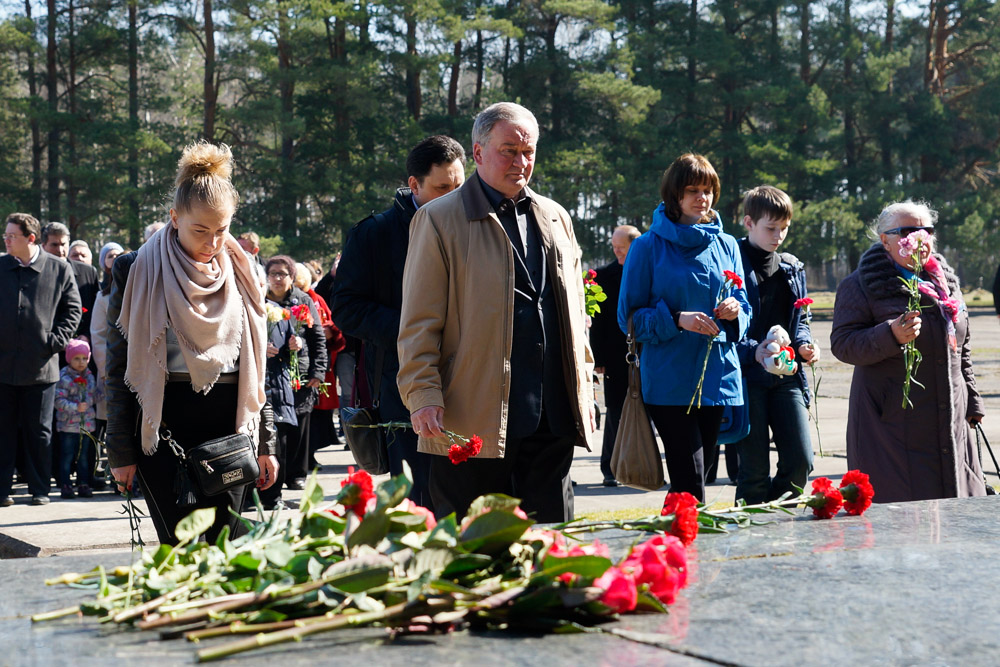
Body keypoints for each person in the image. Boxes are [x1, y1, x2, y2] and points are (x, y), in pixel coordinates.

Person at [397, 104, 594, 521]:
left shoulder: (556, 216)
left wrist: (585, 387)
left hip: (552, 417)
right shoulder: (438, 219)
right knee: (474, 551)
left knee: (550, 551)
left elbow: (576, 316)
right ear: (479, 151)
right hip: (472, 415)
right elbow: (418, 321)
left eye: (529, 151)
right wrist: (423, 395)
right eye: (509, 151)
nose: (521, 163)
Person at [105, 142, 279, 544]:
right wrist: (120, 451)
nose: (212, 242)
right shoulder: (135, 268)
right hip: (164, 430)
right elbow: (118, 366)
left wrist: (267, 442)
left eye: (222, 230)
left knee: (230, 549)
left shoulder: (245, 270)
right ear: (174, 217)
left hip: (232, 428)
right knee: (181, 551)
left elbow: (258, 369)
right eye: (200, 230)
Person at [333, 134, 466, 511]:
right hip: (401, 388)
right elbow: (347, 309)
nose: (453, 197)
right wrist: (416, 329)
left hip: (469, 383)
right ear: (414, 185)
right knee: (418, 505)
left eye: (459, 187)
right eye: (442, 188)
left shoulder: (476, 227)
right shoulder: (374, 234)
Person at [830, 200, 986, 502]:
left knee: (957, 515)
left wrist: (973, 401)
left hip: (950, 421)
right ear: (884, 240)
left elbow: (961, 348)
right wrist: (890, 334)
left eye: (926, 230)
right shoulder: (861, 285)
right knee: (905, 518)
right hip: (890, 426)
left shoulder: (947, 285)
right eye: (907, 231)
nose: (919, 238)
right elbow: (844, 344)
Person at [617, 153, 750, 502]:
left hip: (717, 377)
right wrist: (678, 320)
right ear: (673, 194)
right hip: (668, 380)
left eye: (707, 189)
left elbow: (746, 306)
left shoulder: (728, 245)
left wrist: (736, 310)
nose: (701, 198)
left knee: (696, 478)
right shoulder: (646, 247)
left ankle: (674, 545)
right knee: (691, 479)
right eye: (692, 189)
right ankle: (692, 549)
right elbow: (628, 318)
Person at [732, 186, 817, 504]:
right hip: (746, 378)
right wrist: (754, 349)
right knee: (753, 472)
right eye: (771, 228)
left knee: (801, 462)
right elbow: (723, 332)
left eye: (784, 228)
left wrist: (805, 344)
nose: (778, 235)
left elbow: (801, 321)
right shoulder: (730, 266)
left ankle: (778, 526)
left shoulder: (792, 268)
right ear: (748, 222)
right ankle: (752, 540)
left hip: (787, 377)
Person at [0, 213, 82, 507]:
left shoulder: (58, 268)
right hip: (3, 367)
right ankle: (2, 490)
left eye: (12, 236)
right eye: (5, 236)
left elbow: (72, 310)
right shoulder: (1, 266)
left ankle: (39, 489)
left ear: (30, 238)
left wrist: (53, 342)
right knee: (3, 431)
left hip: (41, 367)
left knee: (40, 432)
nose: (6, 240)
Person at [261, 255, 326, 496]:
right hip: (271, 374)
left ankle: (297, 474)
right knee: (278, 430)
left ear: (292, 276)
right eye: (273, 274)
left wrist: (318, 371)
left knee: (300, 426)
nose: (278, 279)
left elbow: (317, 337)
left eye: (283, 274)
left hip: (300, 371)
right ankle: (274, 477)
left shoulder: (302, 300)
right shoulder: (260, 300)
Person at [590, 225, 640, 487]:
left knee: (650, 414)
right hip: (615, 356)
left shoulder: (647, 271)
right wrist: (598, 358)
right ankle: (609, 469)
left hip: (647, 354)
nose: (616, 250)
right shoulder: (604, 276)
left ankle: (642, 466)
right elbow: (597, 322)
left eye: (621, 245)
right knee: (617, 414)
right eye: (614, 246)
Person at [54, 338, 98, 499]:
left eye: (84, 358)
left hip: (86, 425)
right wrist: (75, 407)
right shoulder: (64, 377)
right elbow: (58, 401)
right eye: (77, 358)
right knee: (67, 456)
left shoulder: (90, 377)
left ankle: (83, 483)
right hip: (68, 425)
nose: (81, 362)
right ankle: (65, 484)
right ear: (69, 359)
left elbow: (93, 397)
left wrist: (103, 391)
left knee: (83, 457)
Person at [42, 222, 99, 338]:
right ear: (43, 246)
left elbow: (97, 310)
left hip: (82, 345)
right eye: (54, 245)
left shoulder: (88, 272)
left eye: (63, 244)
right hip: (47, 344)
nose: (60, 250)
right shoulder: (35, 273)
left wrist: (86, 335)